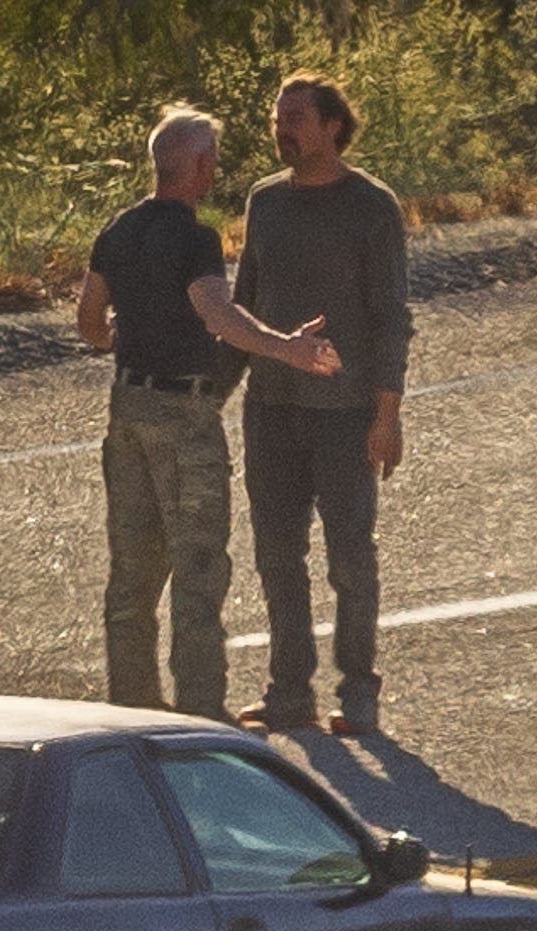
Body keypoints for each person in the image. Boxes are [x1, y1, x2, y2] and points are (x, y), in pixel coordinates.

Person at [76, 105, 341, 722]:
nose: (214, 171)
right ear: (194, 165)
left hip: (127, 408)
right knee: (198, 569)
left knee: (133, 573)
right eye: (213, 161)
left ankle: (131, 709)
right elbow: (218, 315)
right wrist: (290, 348)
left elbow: (89, 321)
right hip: (182, 416)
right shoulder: (194, 238)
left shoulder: (117, 230)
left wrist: (123, 335)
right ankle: (199, 713)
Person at [223, 71, 412, 737]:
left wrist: (387, 415)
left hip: (346, 411)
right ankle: (289, 691)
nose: (283, 129)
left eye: (296, 117)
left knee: (350, 557)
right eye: (278, 118)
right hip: (271, 408)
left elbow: (392, 317)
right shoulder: (264, 202)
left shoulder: (371, 206)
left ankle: (358, 690)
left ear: (332, 125)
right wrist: (213, 392)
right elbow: (241, 307)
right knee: (277, 554)